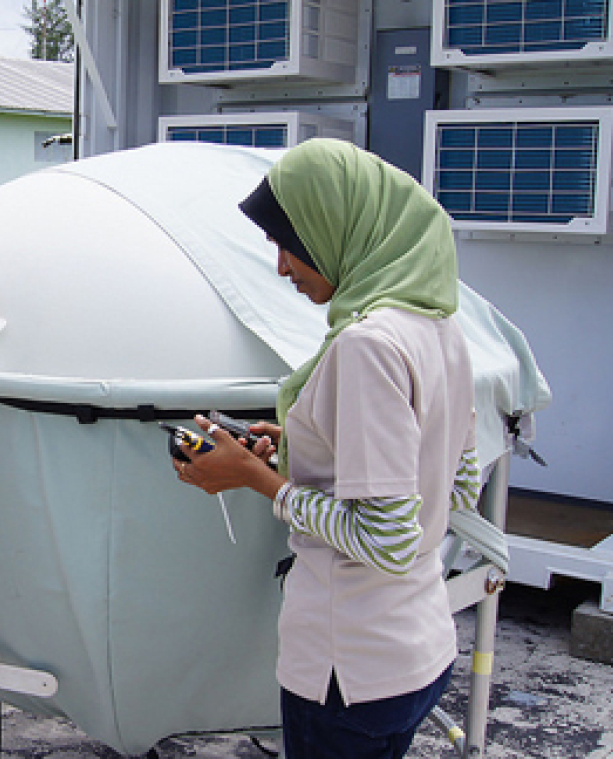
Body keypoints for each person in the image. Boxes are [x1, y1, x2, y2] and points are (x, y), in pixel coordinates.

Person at [173, 139, 480, 759]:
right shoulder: (439, 327)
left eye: (291, 243)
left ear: (337, 229)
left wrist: (258, 481)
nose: (283, 267)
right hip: (417, 651)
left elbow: (386, 541)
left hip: (350, 673)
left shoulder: (366, 347)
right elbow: (455, 480)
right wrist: (302, 446)